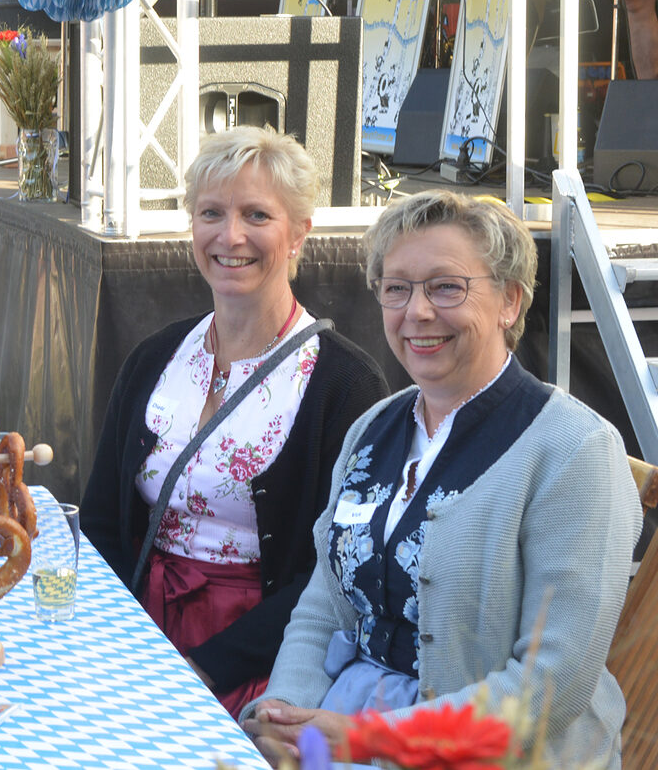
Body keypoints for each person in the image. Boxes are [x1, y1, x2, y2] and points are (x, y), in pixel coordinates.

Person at [243, 191, 640, 767]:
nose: (417, 312)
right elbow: (324, 603)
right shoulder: (373, 428)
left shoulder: (576, 452)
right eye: (396, 288)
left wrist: (366, 738)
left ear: (510, 300)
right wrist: (284, 714)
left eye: (446, 286)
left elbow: (550, 688)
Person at [81, 127, 388, 716]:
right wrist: (117, 644)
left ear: (300, 233)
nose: (231, 236)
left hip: (263, 658)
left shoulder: (346, 384)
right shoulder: (156, 357)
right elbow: (100, 521)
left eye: (256, 215)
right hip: (137, 636)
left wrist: (205, 667)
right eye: (211, 213)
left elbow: (338, 574)